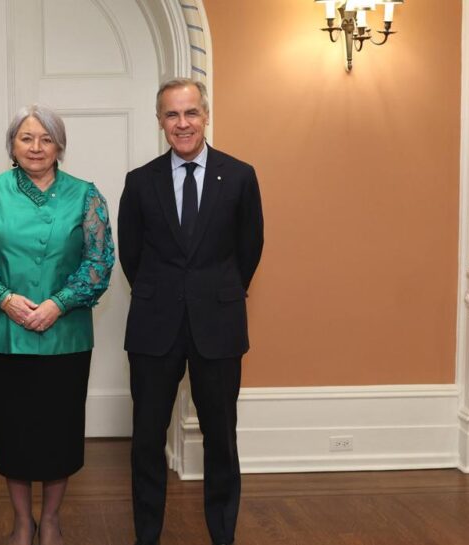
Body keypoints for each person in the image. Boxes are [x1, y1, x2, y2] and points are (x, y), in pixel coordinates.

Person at [0, 105, 114, 545]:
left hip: (66, 336)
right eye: (27, 138)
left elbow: (99, 263)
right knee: (14, 432)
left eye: (46, 138)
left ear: (60, 145)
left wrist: (58, 304)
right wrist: (4, 299)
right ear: (12, 145)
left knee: (60, 432)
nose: (36, 147)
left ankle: (52, 520)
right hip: (5, 335)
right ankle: (23, 522)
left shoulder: (87, 195)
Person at [118, 78, 264, 545]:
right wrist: (164, 293)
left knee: (221, 438)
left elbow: (249, 249)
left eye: (191, 113)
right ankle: (147, 536)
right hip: (153, 327)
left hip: (218, 326)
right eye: (172, 115)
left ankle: (223, 534)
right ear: (160, 121)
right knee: (145, 440)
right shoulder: (140, 182)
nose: (183, 124)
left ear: (206, 115)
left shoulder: (240, 176)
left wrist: (216, 291)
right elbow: (131, 256)